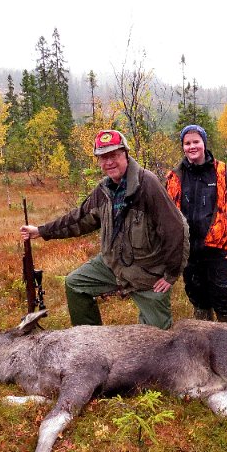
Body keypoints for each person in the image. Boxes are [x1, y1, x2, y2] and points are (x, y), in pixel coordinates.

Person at [20, 129, 189, 329]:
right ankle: (91, 340)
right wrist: (41, 230)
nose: (108, 162)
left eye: (113, 156)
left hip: (148, 274)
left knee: (157, 338)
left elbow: (176, 229)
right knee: (75, 284)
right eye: (102, 158)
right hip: (113, 264)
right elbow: (79, 219)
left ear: (125, 154)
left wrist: (170, 275)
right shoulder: (104, 190)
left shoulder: (147, 184)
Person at [166, 124, 227, 324]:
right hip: (189, 251)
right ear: (183, 146)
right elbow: (166, 215)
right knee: (198, 297)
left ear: (204, 143)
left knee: (224, 297)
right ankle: (205, 343)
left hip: (219, 250)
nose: (192, 146)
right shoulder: (174, 176)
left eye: (196, 142)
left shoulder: (220, 171)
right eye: (187, 143)